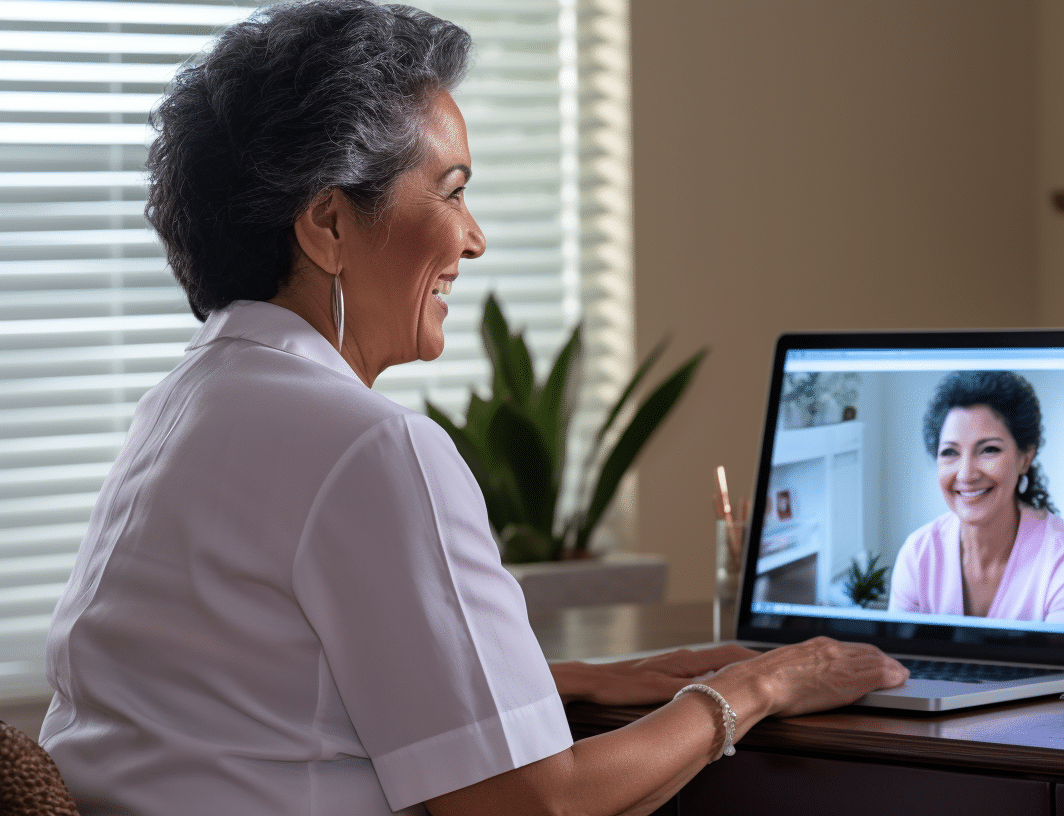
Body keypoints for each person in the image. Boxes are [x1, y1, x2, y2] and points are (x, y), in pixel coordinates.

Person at [37, 3, 906, 814]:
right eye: (451, 192)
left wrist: (567, 682)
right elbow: (537, 804)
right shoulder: (369, 448)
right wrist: (760, 688)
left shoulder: (182, 407)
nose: (475, 237)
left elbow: (251, 702)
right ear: (328, 225)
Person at [887, 371, 1064, 624]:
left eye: (989, 449)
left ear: (1025, 458)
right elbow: (896, 663)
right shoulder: (917, 553)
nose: (966, 474)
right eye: (950, 452)